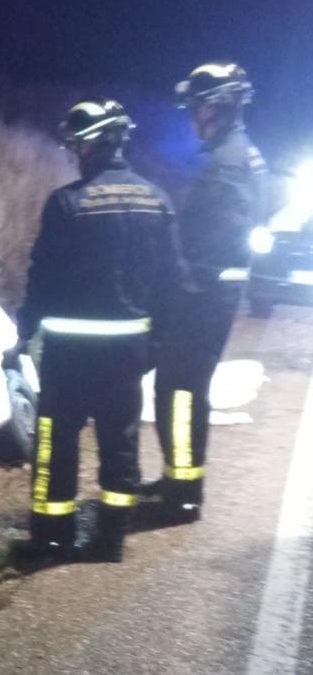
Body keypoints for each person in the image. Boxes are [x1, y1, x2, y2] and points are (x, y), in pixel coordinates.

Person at [7, 98, 183, 562]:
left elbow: (42, 278)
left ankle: (51, 540)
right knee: (120, 443)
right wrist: (157, 343)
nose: (73, 152)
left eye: (76, 143)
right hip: (128, 350)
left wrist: (22, 333)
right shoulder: (158, 200)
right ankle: (110, 540)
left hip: (71, 353)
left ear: (92, 142)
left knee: (56, 444)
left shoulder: (66, 204)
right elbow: (171, 282)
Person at [146, 63, 269, 522]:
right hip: (213, 293)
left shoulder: (228, 162)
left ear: (214, 106)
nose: (192, 117)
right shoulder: (239, 153)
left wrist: (187, 277)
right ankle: (179, 477)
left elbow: (223, 233)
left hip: (205, 295)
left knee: (180, 391)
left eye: (196, 107)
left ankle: (184, 494)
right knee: (179, 389)